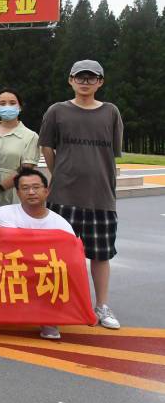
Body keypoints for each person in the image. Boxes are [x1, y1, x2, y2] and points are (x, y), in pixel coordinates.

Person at [38, 59, 124, 331]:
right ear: (70, 80)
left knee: (101, 255)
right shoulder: (57, 111)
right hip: (63, 196)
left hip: (101, 196)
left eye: (91, 78)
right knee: (58, 256)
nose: (85, 82)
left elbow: (112, 153)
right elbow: (47, 147)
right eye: (80, 77)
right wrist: (60, 174)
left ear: (100, 82)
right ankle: (53, 310)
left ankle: (102, 306)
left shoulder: (111, 112)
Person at [0, 168, 76, 340]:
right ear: (18, 193)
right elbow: (11, 245)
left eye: (36, 187)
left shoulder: (62, 225)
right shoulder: (4, 212)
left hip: (42, 272)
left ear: (46, 191)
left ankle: (48, 318)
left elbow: (70, 256)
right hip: (9, 267)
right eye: (25, 188)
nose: (31, 192)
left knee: (60, 269)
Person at [0, 87, 40, 210]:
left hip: (12, 193)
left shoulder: (30, 136)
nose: (7, 107)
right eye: (2, 103)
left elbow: (25, 169)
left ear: (20, 107)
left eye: (12, 103)